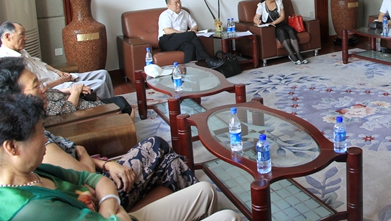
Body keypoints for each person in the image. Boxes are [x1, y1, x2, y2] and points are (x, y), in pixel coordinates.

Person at [0, 93, 241, 221]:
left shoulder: (33, 171)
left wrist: (107, 206)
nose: (46, 139)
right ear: (12, 147)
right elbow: (94, 180)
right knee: (230, 217)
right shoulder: (32, 209)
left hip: (118, 213)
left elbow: (95, 180)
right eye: (40, 133)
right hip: (120, 214)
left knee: (206, 191)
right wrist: (112, 207)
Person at [0, 21, 114, 99]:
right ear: (7, 36)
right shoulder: (9, 62)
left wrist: (58, 72)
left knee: (103, 73)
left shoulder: (21, 51)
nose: (26, 38)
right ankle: (109, 109)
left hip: (59, 77)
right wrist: (61, 80)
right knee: (99, 84)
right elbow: (36, 88)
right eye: (22, 35)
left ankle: (114, 103)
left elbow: (41, 64)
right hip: (54, 87)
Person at [158, 0, 224, 69]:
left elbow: (195, 25)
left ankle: (188, 70)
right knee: (190, 35)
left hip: (181, 40)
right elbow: (167, 31)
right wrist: (185, 34)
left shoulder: (184, 13)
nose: (179, 4)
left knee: (189, 46)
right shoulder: (165, 15)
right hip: (166, 41)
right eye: (176, 3)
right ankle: (208, 60)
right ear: (168, 5)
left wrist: (193, 29)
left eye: (179, 2)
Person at [254, 0, 308, 65]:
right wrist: (257, 21)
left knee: (290, 30)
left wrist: (273, 22)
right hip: (272, 28)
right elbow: (255, 18)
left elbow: (282, 17)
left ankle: (299, 55)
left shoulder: (279, 1)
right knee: (281, 32)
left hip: (281, 24)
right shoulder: (261, 5)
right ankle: (292, 55)